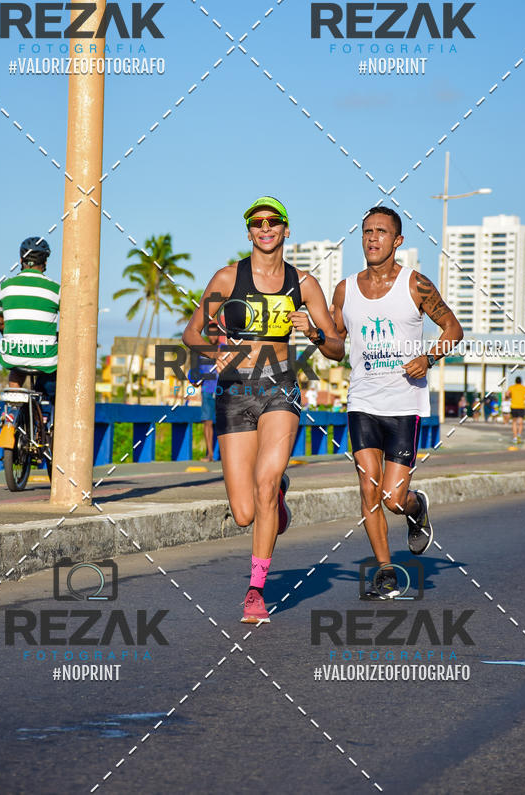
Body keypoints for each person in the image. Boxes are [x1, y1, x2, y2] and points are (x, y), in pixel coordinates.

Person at [183, 197, 344, 622]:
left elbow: (336, 348)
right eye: (258, 223)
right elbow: (191, 332)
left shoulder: (303, 284)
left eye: (273, 221)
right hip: (235, 392)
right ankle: (278, 495)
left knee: (265, 482)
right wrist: (212, 353)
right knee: (244, 514)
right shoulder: (227, 277)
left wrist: (313, 331)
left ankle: (256, 591)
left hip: (280, 389)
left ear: (286, 229)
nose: (266, 228)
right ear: (249, 231)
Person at [331, 207, 463, 599]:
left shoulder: (415, 284)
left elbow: (453, 328)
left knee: (392, 499)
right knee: (368, 488)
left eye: (381, 232)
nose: (373, 238)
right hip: (362, 402)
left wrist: (429, 357)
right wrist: (315, 335)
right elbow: (335, 346)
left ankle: (415, 507)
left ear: (397, 240)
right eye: (367, 231)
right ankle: (386, 572)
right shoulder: (345, 290)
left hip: (405, 405)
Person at [0, 237, 60, 401]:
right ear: (45, 262)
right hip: (45, 359)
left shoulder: (5, 287)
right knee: (55, 369)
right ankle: (48, 407)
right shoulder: (56, 289)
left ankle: (13, 406)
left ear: (21, 260)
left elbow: (0, 322)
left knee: (16, 365)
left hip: (13, 356)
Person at [192, 322, 221, 460]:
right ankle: (209, 454)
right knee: (207, 422)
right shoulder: (202, 351)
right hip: (207, 391)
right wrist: (195, 380)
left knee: (224, 423)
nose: (213, 336)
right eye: (211, 334)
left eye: (216, 334)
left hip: (223, 392)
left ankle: (225, 455)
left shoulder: (225, 349)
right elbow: (195, 374)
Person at [506, 375, 525, 443]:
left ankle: (515, 437)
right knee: (520, 422)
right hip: (521, 406)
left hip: (514, 406)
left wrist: (510, 396)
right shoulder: (524, 388)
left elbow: (507, 394)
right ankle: (519, 434)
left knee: (514, 422)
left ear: (515, 381)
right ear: (521, 381)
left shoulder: (511, 387)